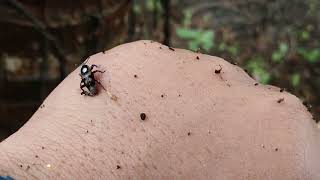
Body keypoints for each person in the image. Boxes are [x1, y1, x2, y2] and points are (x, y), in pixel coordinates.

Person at [0, 41, 319, 179]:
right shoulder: (92, 76)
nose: (91, 76)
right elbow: (92, 79)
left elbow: (93, 76)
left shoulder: (93, 73)